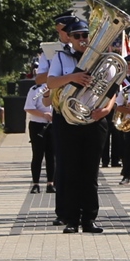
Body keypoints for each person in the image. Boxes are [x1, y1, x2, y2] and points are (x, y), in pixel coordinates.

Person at [39, 14, 113, 234]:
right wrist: (73, 77)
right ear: (69, 38)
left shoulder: (103, 59)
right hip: (67, 119)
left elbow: (113, 88)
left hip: (94, 119)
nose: (82, 39)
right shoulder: (61, 58)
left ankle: (89, 219)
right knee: (69, 170)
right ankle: (71, 219)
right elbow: (51, 82)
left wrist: (107, 110)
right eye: (77, 36)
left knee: (90, 172)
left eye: (85, 35)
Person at [23, 81, 53, 191]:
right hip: (37, 124)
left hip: (53, 125)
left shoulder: (60, 87)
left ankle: (51, 183)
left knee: (52, 156)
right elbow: (28, 108)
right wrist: (43, 115)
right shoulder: (36, 90)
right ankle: (36, 183)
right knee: (37, 155)